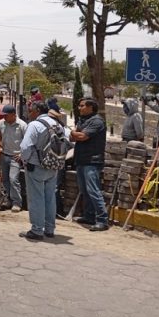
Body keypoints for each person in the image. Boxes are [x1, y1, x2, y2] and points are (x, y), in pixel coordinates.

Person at [19, 101, 63, 240]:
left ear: (37, 110)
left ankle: (37, 230)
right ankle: (49, 229)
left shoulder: (35, 125)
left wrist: (25, 160)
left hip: (36, 166)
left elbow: (25, 146)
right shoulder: (58, 124)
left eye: (31, 110)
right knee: (50, 197)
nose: (29, 113)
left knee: (36, 198)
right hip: (53, 165)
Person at [71, 97, 108, 231]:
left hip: (92, 161)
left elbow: (82, 136)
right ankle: (89, 216)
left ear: (90, 107)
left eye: (82, 106)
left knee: (93, 190)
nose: (79, 108)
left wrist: (75, 133)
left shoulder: (97, 121)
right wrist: (74, 133)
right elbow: (73, 137)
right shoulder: (83, 120)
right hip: (81, 159)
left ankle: (102, 220)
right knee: (84, 190)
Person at [0, 105, 27, 212]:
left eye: (6, 116)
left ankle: (17, 202)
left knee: (13, 179)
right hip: (4, 155)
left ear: (13, 115)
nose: (4, 118)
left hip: (15, 157)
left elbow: (28, 142)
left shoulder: (22, 125)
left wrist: (22, 154)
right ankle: (9, 199)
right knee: (5, 180)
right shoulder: (1, 124)